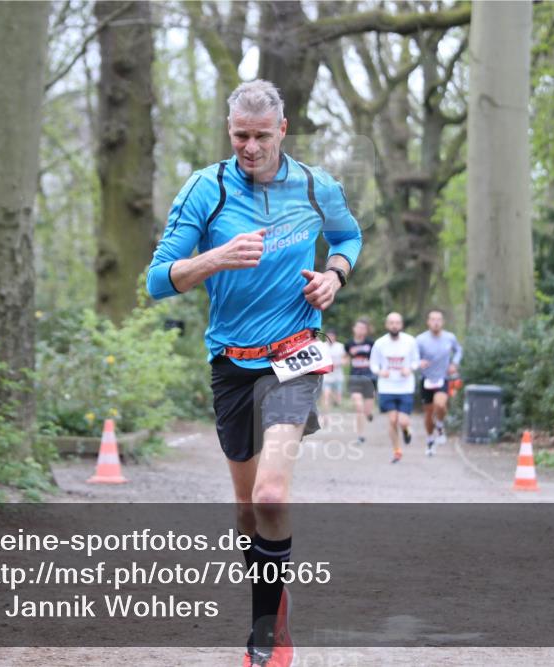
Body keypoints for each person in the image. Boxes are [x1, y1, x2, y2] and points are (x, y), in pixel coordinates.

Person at [145, 79, 362, 667]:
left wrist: (334, 277)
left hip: (293, 355)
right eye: (240, 135)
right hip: (232, 365)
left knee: (271, 493)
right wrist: (217, 257)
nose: (250, 146)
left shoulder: (318, 186)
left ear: (282, 131)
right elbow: (158, 279)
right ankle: (274, 596)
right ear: (229, 130)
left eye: (262, 136)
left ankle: (267, 633)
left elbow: (347, 236)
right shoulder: (205, 190)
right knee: (247, 510)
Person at [369, 312, 419, 463]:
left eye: (397, 322)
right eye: (391, 322)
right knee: (392, 420)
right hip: (387, 387)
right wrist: (379, 371)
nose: (394, 325)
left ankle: (406, 430)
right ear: (386, 325)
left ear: (401, 325)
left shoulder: (410, 341)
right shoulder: (379, 343)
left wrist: (409, 369)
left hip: (405, 386)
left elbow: (416, 361)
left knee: (403, 421)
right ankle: (397, 450)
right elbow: (373, 364)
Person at [416, 308, 463, 456]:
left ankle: (441, 425)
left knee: (440, 404)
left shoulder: (450, 337)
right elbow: (413, 357)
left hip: (443, 377)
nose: (436, 322)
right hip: (426, 379)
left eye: (438, 320)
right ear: (428, 322)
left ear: (442, 322)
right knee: (429, 414)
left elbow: (459, 350)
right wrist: (419, 362)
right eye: (433, 319)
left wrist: (454, 363)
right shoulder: (420, 339)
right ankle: (430, 439)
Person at [345, 318, 376, 443]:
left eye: (363, 328)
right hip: (354, 377)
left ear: (366, 330)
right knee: (359, 407)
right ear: (354, 329)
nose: (360, 330)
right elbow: (346, 358)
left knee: (367, 411)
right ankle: (360, 435)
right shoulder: (349, 344)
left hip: (369, 378)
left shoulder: (371, 343)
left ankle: (368, 414)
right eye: (358, 327)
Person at [320, 329, 347, 425]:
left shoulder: (340, 346)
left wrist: (339, 363)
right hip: (327, 376)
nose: (330, 338)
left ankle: (336, 407)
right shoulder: (322, 346)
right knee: (326, 395)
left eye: (332, 336)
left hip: (338, 376)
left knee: (337, 399)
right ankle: (326, 417)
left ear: (335, 337)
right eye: (328, 336)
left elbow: (345, 359)